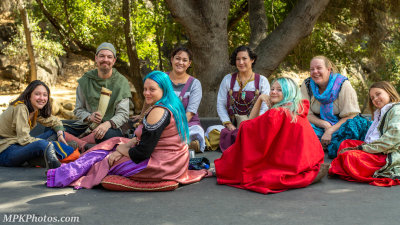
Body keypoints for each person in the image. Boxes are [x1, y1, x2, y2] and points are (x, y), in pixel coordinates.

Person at [46, 71, 209, 189]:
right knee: (111, 143)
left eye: (152, 89)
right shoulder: (172, 103)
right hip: (173, 161)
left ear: (163, 89)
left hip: (159, 165)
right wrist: (122, 146)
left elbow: (142, 153)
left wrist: (121, 151)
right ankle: (69, 164)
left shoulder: (159, 112)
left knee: (103, 158)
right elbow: (145, 139)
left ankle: (60, 174)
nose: (146, 93)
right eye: (145, 89)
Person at [214, 77, 326, 194]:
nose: (273, 92)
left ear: (289, 92)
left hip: (291, 163)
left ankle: (220, 169)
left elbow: (246, 127)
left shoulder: (276, 113)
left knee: (240, 158)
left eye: (279, 90)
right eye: (272, 89)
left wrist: (259, 100)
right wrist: (261, 98)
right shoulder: (296, 110)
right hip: (308, 161)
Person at [329, 81, 400, 187]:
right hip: (375, 149)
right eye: (372, 98)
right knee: (346, 144)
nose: (375, 99)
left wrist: (362, 149)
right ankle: (340, 165)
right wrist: (361, 147)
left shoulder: (396, 110)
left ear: (389, 92)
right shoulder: (381, 112)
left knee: (349, 156)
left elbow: (390, 140)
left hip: (386, 154)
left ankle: (337, 166)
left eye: (378, 94)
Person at [63, 42, 132, 144]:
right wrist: (89, 117)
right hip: (88, 126)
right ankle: (81, 142)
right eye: (102, 56)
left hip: (111, 127)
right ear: (96, 58)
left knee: (107, 136)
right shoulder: (85, 80)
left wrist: (107, 124)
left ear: (114, 60)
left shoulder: (121, 82)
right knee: (57, 127)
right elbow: (78, 109)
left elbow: (123, 114)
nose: (105, 60)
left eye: (109, 57)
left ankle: (79, 143)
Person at [301, 55, 361, 158]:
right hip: (318, 124)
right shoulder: (307, 84)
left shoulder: (343, 84)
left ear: (328, 70)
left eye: (319, 68)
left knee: (347, 139)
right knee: (300, 130)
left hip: (341, 124)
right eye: (312, 69)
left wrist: (330, 131)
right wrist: (324, 124)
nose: (315, 72)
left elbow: (351, 116)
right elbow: (305, 113)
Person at [0, 80, 68, 168]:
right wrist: (47, 144)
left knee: (56, 132)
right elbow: (24, 139)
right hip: (5, 151)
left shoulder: (34, 110)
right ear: (29, 95)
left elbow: (55, 121)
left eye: (45, 95)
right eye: (37, 94)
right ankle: (51, 160)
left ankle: (35, 159)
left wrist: (60, 135)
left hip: (19, 145)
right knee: (42, 144)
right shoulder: (20, 108)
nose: (42, 98)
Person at [217, 46, 270, 152]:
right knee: (215, 132)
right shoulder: (228, 79)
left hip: (255, 127)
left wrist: (253, 125)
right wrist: (228, 124)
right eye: (238, 59)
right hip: (233, 127)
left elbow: (265, 107)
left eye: (244, 58)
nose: (241, 62)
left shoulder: (262, 81)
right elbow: (220, 104)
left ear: (252, 59)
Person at [167, 46, 205, 153]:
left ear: (189, 64)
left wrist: (173, 128)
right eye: (177, 58)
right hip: (162, 123)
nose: (180, 63)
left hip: (187, 124)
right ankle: (180, 146)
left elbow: (190, 113)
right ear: (172, 59)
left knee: (195, 133)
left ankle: (185, 145)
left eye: (185, 60)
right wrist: (142, 115)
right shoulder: (162, 79)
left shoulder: (195, 83)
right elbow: (151, 99)